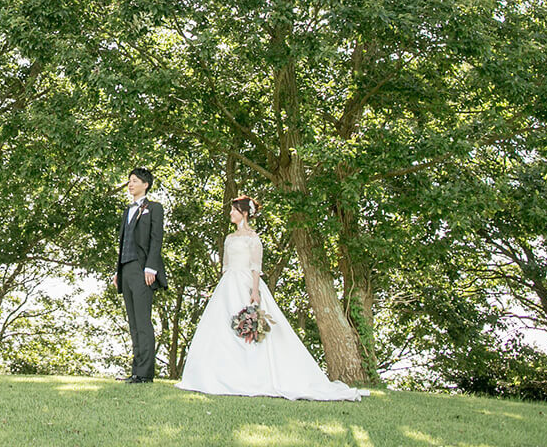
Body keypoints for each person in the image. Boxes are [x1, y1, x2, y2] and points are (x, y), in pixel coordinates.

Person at [176, 196, 368, 401]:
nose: (230, 213)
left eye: (234, 210)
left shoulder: (253, 238)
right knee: (220, 328)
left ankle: (255, 376)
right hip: (228, 286)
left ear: (244, 213)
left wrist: (255, 292)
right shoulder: (229, 238)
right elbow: (225, 266)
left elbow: (256, 267)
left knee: (251, 332)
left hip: (246, 284)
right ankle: (218, 375)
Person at [113, 167, 167, 383]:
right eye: (129, 181)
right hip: (125, 269)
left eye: (134, 180)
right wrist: (118, 271)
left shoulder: (154, 208)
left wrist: (151, 267)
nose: (130, 184)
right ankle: (136, 371)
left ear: (145, 184)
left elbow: (156, 238)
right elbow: (124, 241)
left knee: (143, 322)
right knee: (133, 322)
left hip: (143, 269)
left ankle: (145, 374)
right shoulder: (127, 211)